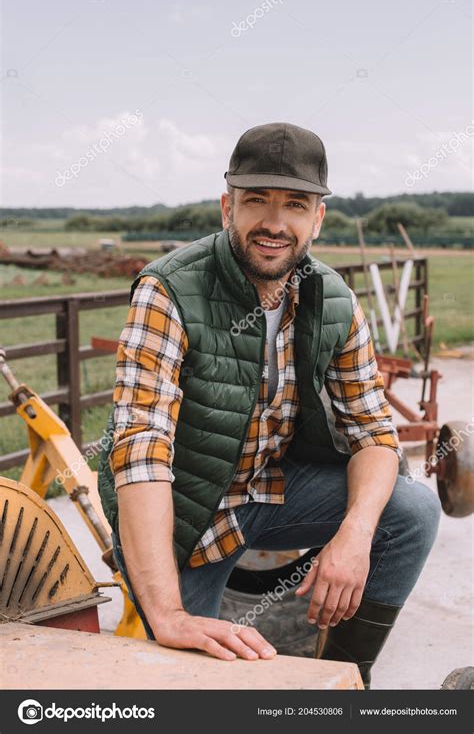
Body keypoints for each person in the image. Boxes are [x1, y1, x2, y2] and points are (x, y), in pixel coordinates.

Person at [98, 122, 441, 688]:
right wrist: (166, 614)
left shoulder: (333, 300)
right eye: (257, 200)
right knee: (195, 683)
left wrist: (354, 537)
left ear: (318, 218)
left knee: (410, 512)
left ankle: (335, 686)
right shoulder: (168, 291)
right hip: (188, 515)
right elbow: (140, 449)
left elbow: (374, 431)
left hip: (272, 491)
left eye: (296, 205)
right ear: (226, 206)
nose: (275, 223)